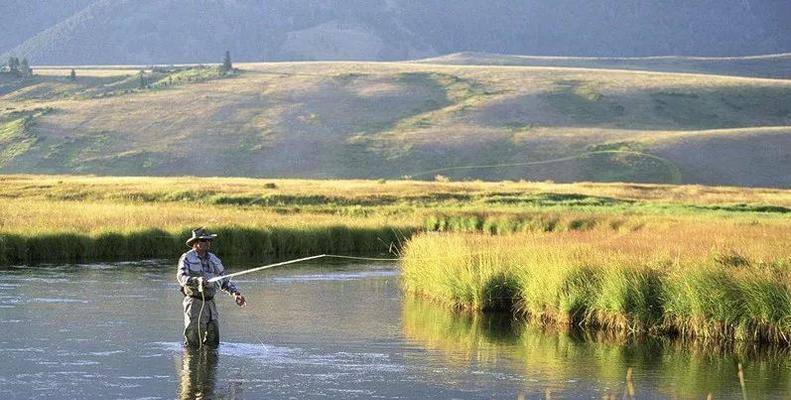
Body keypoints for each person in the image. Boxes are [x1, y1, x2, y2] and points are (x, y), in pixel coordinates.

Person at [177, 227, 247, 347]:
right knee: (193, 341)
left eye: (208, 240)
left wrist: (236, 294)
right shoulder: (186, 258)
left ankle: (211, 365)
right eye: (204, 240)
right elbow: (181, 277)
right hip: (194, 303)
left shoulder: (214, 259)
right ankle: (191, 364)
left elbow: (224, 281)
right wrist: (197, 281)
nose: (208, 243)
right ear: (195, 243)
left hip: (211, 304)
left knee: (213, 341)